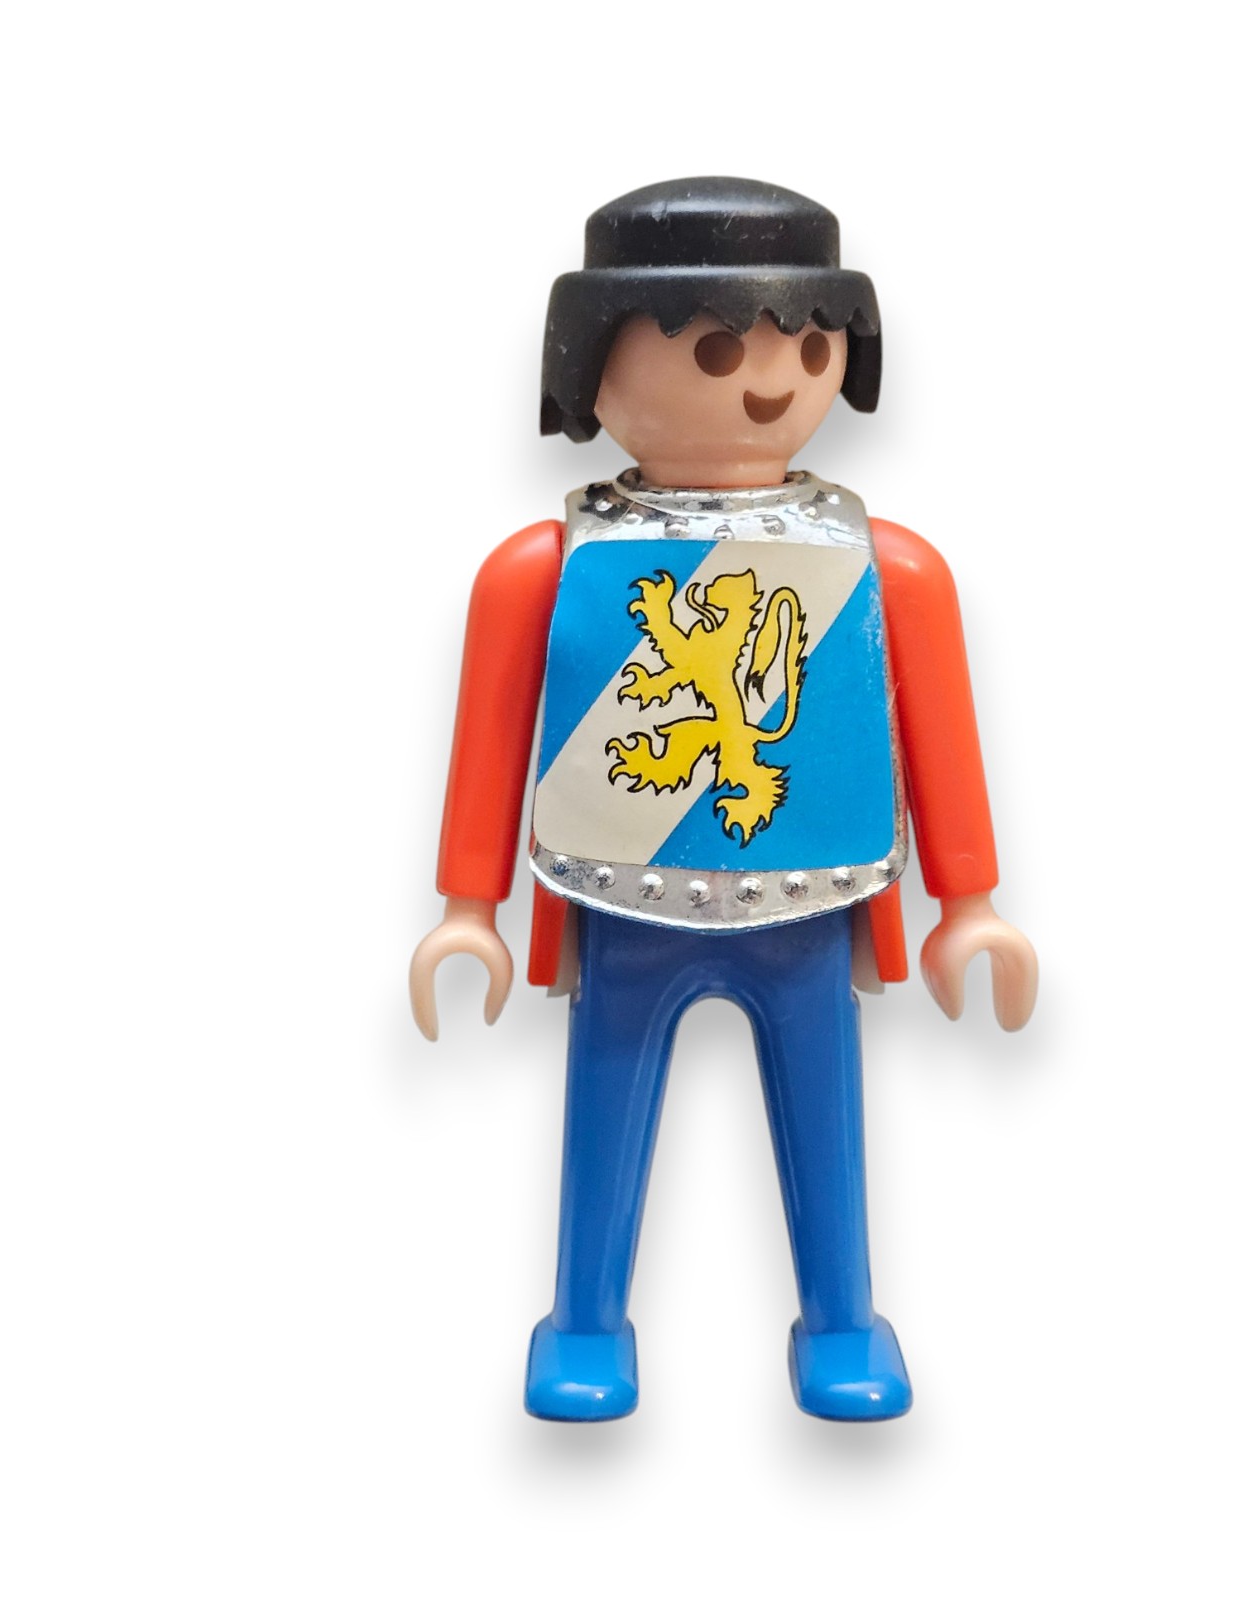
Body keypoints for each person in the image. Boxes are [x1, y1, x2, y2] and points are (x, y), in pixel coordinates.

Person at [409, 177, 1038, 1421]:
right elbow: (489, 734)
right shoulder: (549, 566)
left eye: (804, 346)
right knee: (603, 1113)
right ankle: (585, 1321)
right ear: (593, 367)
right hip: (619, 898)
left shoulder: (884, 566)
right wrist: (466, 908)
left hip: (809, 893)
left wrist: (968, 902)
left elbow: (937, 731)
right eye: (713, 350)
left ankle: (841, 1320)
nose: (764, 382)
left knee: (827, 1119)